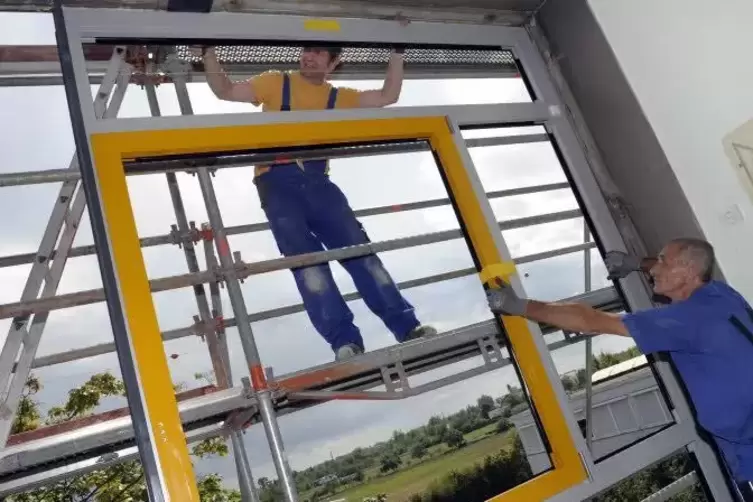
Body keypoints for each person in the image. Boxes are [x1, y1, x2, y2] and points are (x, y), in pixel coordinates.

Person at [195, 44, 437, 361]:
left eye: (320, 53)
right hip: (276, 180)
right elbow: (225, 90)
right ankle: (344, 342)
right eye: (307, 50)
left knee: (361, 254)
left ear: (333, 63)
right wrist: (208, 53)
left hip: (319, 181)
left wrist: (397, 53)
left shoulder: (339, 97)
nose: (309, 56)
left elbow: (387, 97)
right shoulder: (274, 82)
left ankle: (407, 327)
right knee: (307, 265)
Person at [486, 238, 753, 500]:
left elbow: (589, 320)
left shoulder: (686, 320)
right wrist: (635, 263)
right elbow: (686, 264)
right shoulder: (720, 294)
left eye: (662, 261)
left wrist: (518, 305)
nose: (654, 268)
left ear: (687, 271)